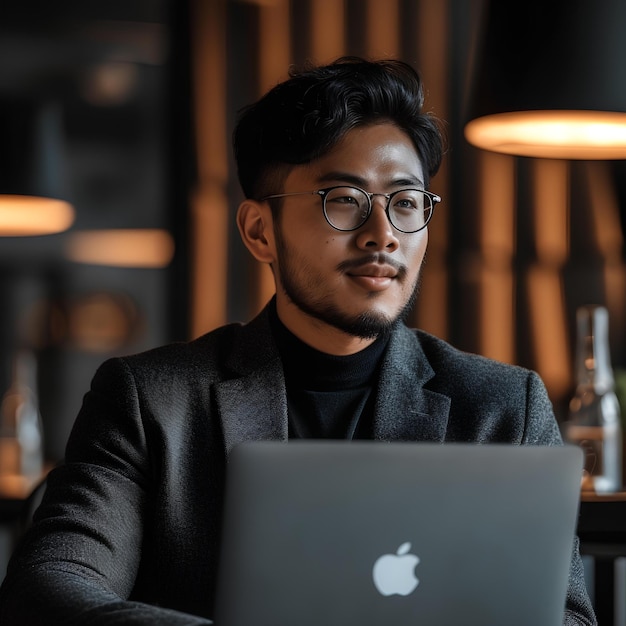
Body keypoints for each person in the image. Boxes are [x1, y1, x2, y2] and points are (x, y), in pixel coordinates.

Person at [0, 57, 596, 625]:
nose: (383, 235)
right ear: (259, 230)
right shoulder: (151, 401)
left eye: (406, 203)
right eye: (343, 201)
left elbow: (566, 614)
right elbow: (49, 588)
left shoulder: (500, 407)